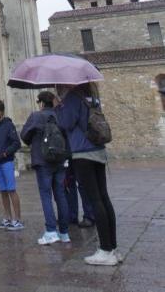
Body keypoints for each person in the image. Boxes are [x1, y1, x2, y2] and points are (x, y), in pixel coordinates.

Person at [56, 83, 119, 266]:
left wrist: (59, 105)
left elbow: (65, 124)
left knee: (95, 200)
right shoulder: (92, 96)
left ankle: (105, 250)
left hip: (83, 153)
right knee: (103, 198)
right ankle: (113, 247)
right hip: (98, 151)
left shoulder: (73, 98)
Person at [21, 91, 70, 245]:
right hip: (60, 160)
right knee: (61, 195)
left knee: (46, 195)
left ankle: (50, 231)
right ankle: (64, 232)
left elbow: (24, 135)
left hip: (42, 161)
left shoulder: (36, 116)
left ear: (41, 103)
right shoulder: (59, 116)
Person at [0, 99, 24, 231]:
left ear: (1, 111)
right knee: (3, 191)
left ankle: (18, 219)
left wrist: (5, 153)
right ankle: (8, 218)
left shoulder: (8, 125)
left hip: (7, 162)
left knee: (11, 190)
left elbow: (16, 143)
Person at [65, 162, 96, 228]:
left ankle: (89, 216)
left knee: (82, 184)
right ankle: (71, 216)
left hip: (78, 155)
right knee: (68, 183)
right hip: (67, 155)